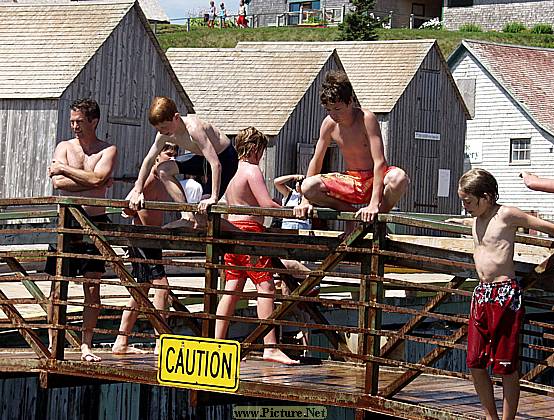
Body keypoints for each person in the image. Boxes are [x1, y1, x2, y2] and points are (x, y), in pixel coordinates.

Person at [451, 168, 554, 420]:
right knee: (475, 362)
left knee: (506, 364)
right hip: (482, 293)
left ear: (486, 197)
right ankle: (491, 416)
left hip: (504, 293)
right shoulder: (476, 218)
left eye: (468, 201)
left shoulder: (506, 214)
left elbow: (544, 226)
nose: (465, 206)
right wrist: (462, 220)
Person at [215, 127, 299, 365]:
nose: (261, 156)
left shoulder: (231, 170)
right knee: (266, 286)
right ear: (254, 149)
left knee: (232, 287)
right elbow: (265, 204)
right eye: (261, 151)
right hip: (250, 232)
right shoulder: (252, 170)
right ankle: (270, 346)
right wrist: (291, 210)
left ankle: (217, 342)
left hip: (231, 230)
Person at [47, 98, 118, 362]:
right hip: (68, 222)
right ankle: (55, 341)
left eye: (79, 121)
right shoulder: (64, 146)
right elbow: (57, 184)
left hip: (96, 221)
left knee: (92, 285)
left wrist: (65, 169)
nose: (75, 126)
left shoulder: (107, 149)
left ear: (94, 121)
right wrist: (91, 182)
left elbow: (98, 179)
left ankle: (86, 344)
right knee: (57, 285)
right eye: (72, 122)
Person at [293, 71, 409, 227]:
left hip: (374, 178)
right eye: (329, 109)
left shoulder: (366, 118)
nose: (333, 114)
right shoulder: (329, 124)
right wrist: (305, 201)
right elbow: (317, 160)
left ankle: (378, 217)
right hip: (351, 181)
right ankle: (348, 211)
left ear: (350, 101)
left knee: (399, 178)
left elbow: (380, 161)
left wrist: (374, 203)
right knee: (307, 186)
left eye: (338, 109)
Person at [128, 96, 238, 229]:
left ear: (176, 117)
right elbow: (148, 160)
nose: (162, 132)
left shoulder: (194, 129)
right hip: (202, 158)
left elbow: (216, 164)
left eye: (164, 127)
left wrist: (213, 198)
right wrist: (138, 190)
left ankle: (244, 239)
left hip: (225, 159)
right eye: (158, 129)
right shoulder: (164, 134)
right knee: (162, 169)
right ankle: (187, 216)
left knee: (204, 214)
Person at [112, 143, 178, 355]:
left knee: (140, 292)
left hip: (153, 240)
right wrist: (132, 208)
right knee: (162, 287)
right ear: (157, 156)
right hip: (141, 241)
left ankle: (121, 341)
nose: (172, 156)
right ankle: (161, 339)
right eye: (168, 152)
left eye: (175, 152)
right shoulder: (149, 177)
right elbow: (127, 205)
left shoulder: (165, 178)